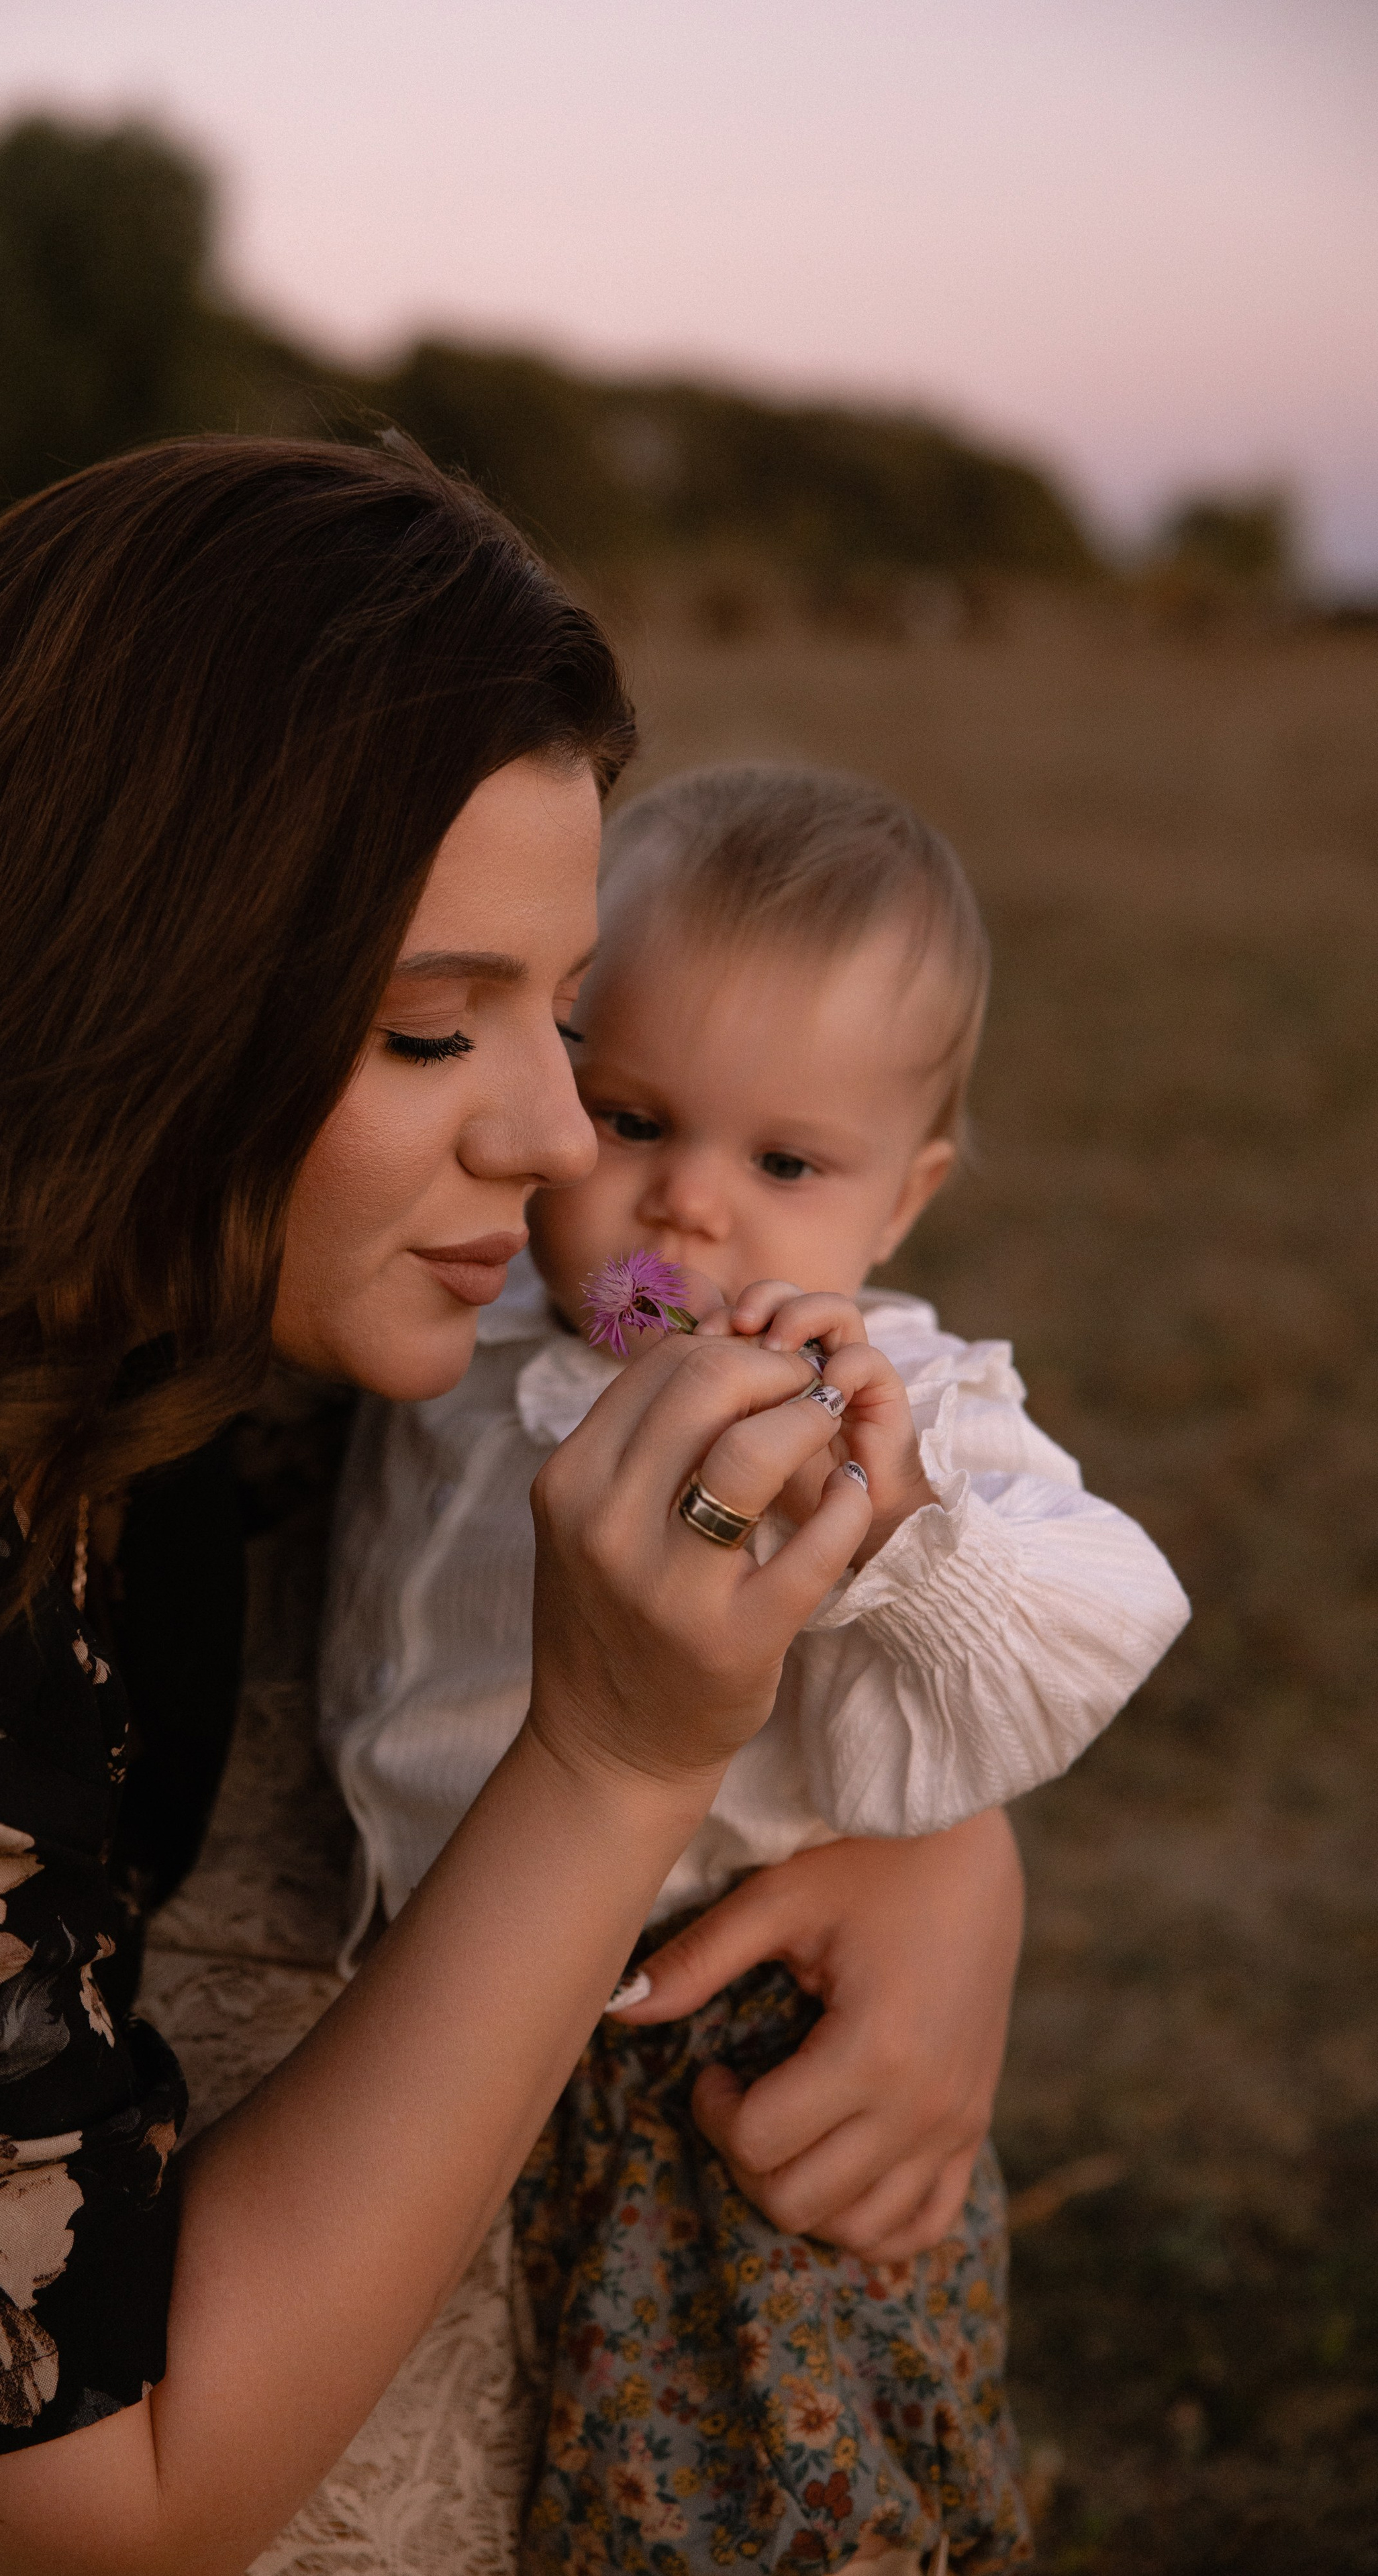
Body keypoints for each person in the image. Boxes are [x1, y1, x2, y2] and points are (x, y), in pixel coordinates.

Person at [0, 443, 1028, 2576]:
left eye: (561, 1016)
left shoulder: (168, 1273)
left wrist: (943, 1847)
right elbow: (119, 2509)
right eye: (423, 1030)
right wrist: (619, 1762)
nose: (559, 1133)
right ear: (124, 993)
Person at [322, 763, 1191, 2571]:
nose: (688, 1210)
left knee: (754, 2498)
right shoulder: (472, 1304)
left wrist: (886, 1529)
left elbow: (1109, 1607)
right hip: (446, 2005)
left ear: (903, 1197)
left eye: (785, 1162)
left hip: (714, 2062)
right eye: (633, 1115)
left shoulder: (892, 1400)